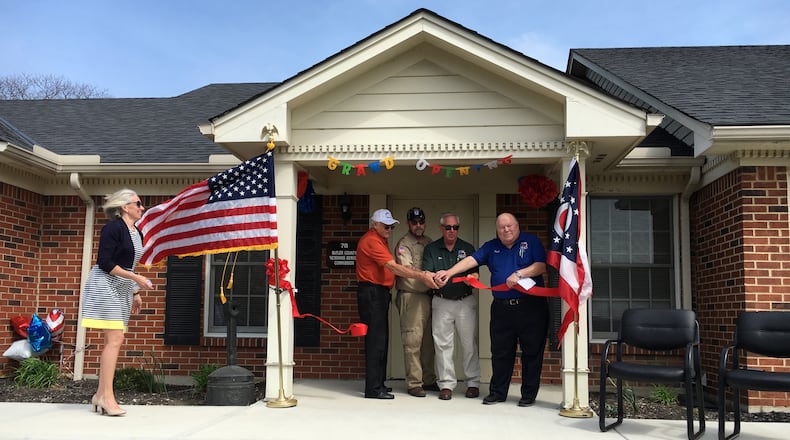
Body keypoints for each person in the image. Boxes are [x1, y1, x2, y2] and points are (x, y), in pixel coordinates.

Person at [435, 212, 548, 407]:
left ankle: (528, 395)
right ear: (497, 230)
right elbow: (472, 260)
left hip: (531, 307)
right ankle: (498, 392)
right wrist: (450, 272)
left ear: (517, 226)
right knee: (500, 352)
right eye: (501, 227)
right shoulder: (491, 246)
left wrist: (520, 274)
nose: (506, 230)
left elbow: (541, 266)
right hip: (502, 309)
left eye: (509, 226)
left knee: (532, 352)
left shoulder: (531, 241)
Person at [80, 189, 153, 416]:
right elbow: (105, 262)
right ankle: (107, 398)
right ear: (125, 207)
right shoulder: (113, 228)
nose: (142, 207)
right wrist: (136, 279)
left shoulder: (136, 232)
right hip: (105, 285)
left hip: (121, 288)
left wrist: (134, 292)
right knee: (115, 339)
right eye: (138, 203)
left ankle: (100, 396)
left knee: (115, 339)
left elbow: (128, 265)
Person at [356, 208, 438, 399]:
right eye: (386, 226)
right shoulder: (372, 241)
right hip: (372, 292)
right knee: (377, 341)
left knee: (381, 341)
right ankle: (374, 389)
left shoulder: (380, 240)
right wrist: (423, 275)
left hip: (380, 293)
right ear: (374, 224)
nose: (389, 229)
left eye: (391, 226)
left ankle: (379, 384)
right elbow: (393, 267)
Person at [422, 212, 481, 401]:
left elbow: (475, 273)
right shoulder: (431, 248)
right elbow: (428, 275)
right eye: (448, 227)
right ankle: (446, 384)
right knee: (443, 344)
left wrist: (473, 279)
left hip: (465, 300)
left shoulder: (467, 248)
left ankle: (472, 383)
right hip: (441, 301)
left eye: (455, 227)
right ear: (441, 228)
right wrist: (435, 280)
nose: (452, 231)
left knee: (469, 344)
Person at [394, 207, 438, 397]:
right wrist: (427, 278)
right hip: (412, 296)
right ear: (408, 224)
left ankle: (428, 380)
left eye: (421, 222)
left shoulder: (429, 242)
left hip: (429, 297)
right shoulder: (404, 244)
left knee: (428, 342)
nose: (418, 225)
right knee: (412, 341)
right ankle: (414, 383)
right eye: (414, 222)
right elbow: (406, 271)